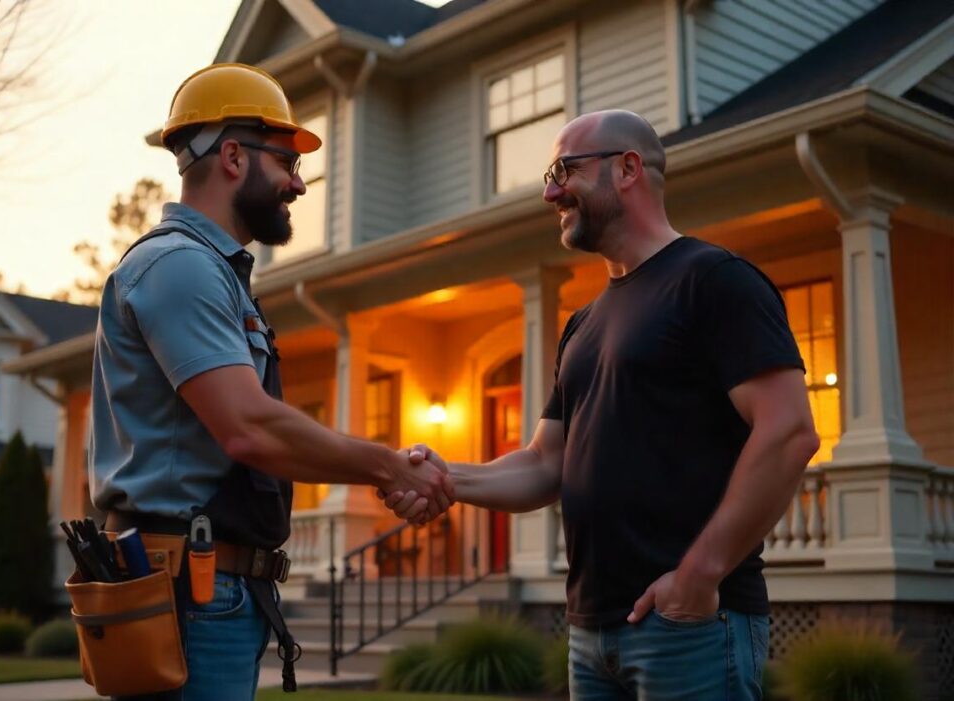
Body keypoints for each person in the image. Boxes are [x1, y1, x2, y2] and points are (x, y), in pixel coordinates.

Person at [383, 110, 820, 701]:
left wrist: (699, 575)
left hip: (688, 625)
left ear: (628, 169)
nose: (549, 191)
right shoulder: (582, 326)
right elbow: (545, 464)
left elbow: (789, 431)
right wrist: (444, 475)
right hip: (591, 634)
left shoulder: (714, 281)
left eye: (563, 170)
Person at [88, 63, 452, 701]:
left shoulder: (212, 274)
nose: (300, 183)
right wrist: (389, 468)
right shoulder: (180, 267)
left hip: (211, 590)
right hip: (192, 594)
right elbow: (249, 427)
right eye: (286, 161)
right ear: (232, 156)